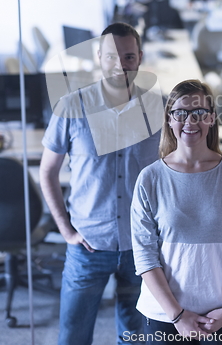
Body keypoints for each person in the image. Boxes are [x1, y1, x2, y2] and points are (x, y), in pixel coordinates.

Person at [39, 22, 163, 345]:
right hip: (88, 245)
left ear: (140, 58)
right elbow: (47, 172)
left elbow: (174, 171)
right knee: (73, 337)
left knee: (137, 337)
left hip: (142, 246)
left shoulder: (158, 107)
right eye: (111, 57)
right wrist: (66, 231)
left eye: (128, 57)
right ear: (98, 57)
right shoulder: (71, 107)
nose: (120, 66)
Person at [131, 79, 222, 344]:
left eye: (199, 112)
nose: (190, 121)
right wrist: (178, 316)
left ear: (211, 118)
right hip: (165, 314)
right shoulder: (149, 179)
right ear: (169, 119)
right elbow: (145, 257)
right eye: (181, 113)